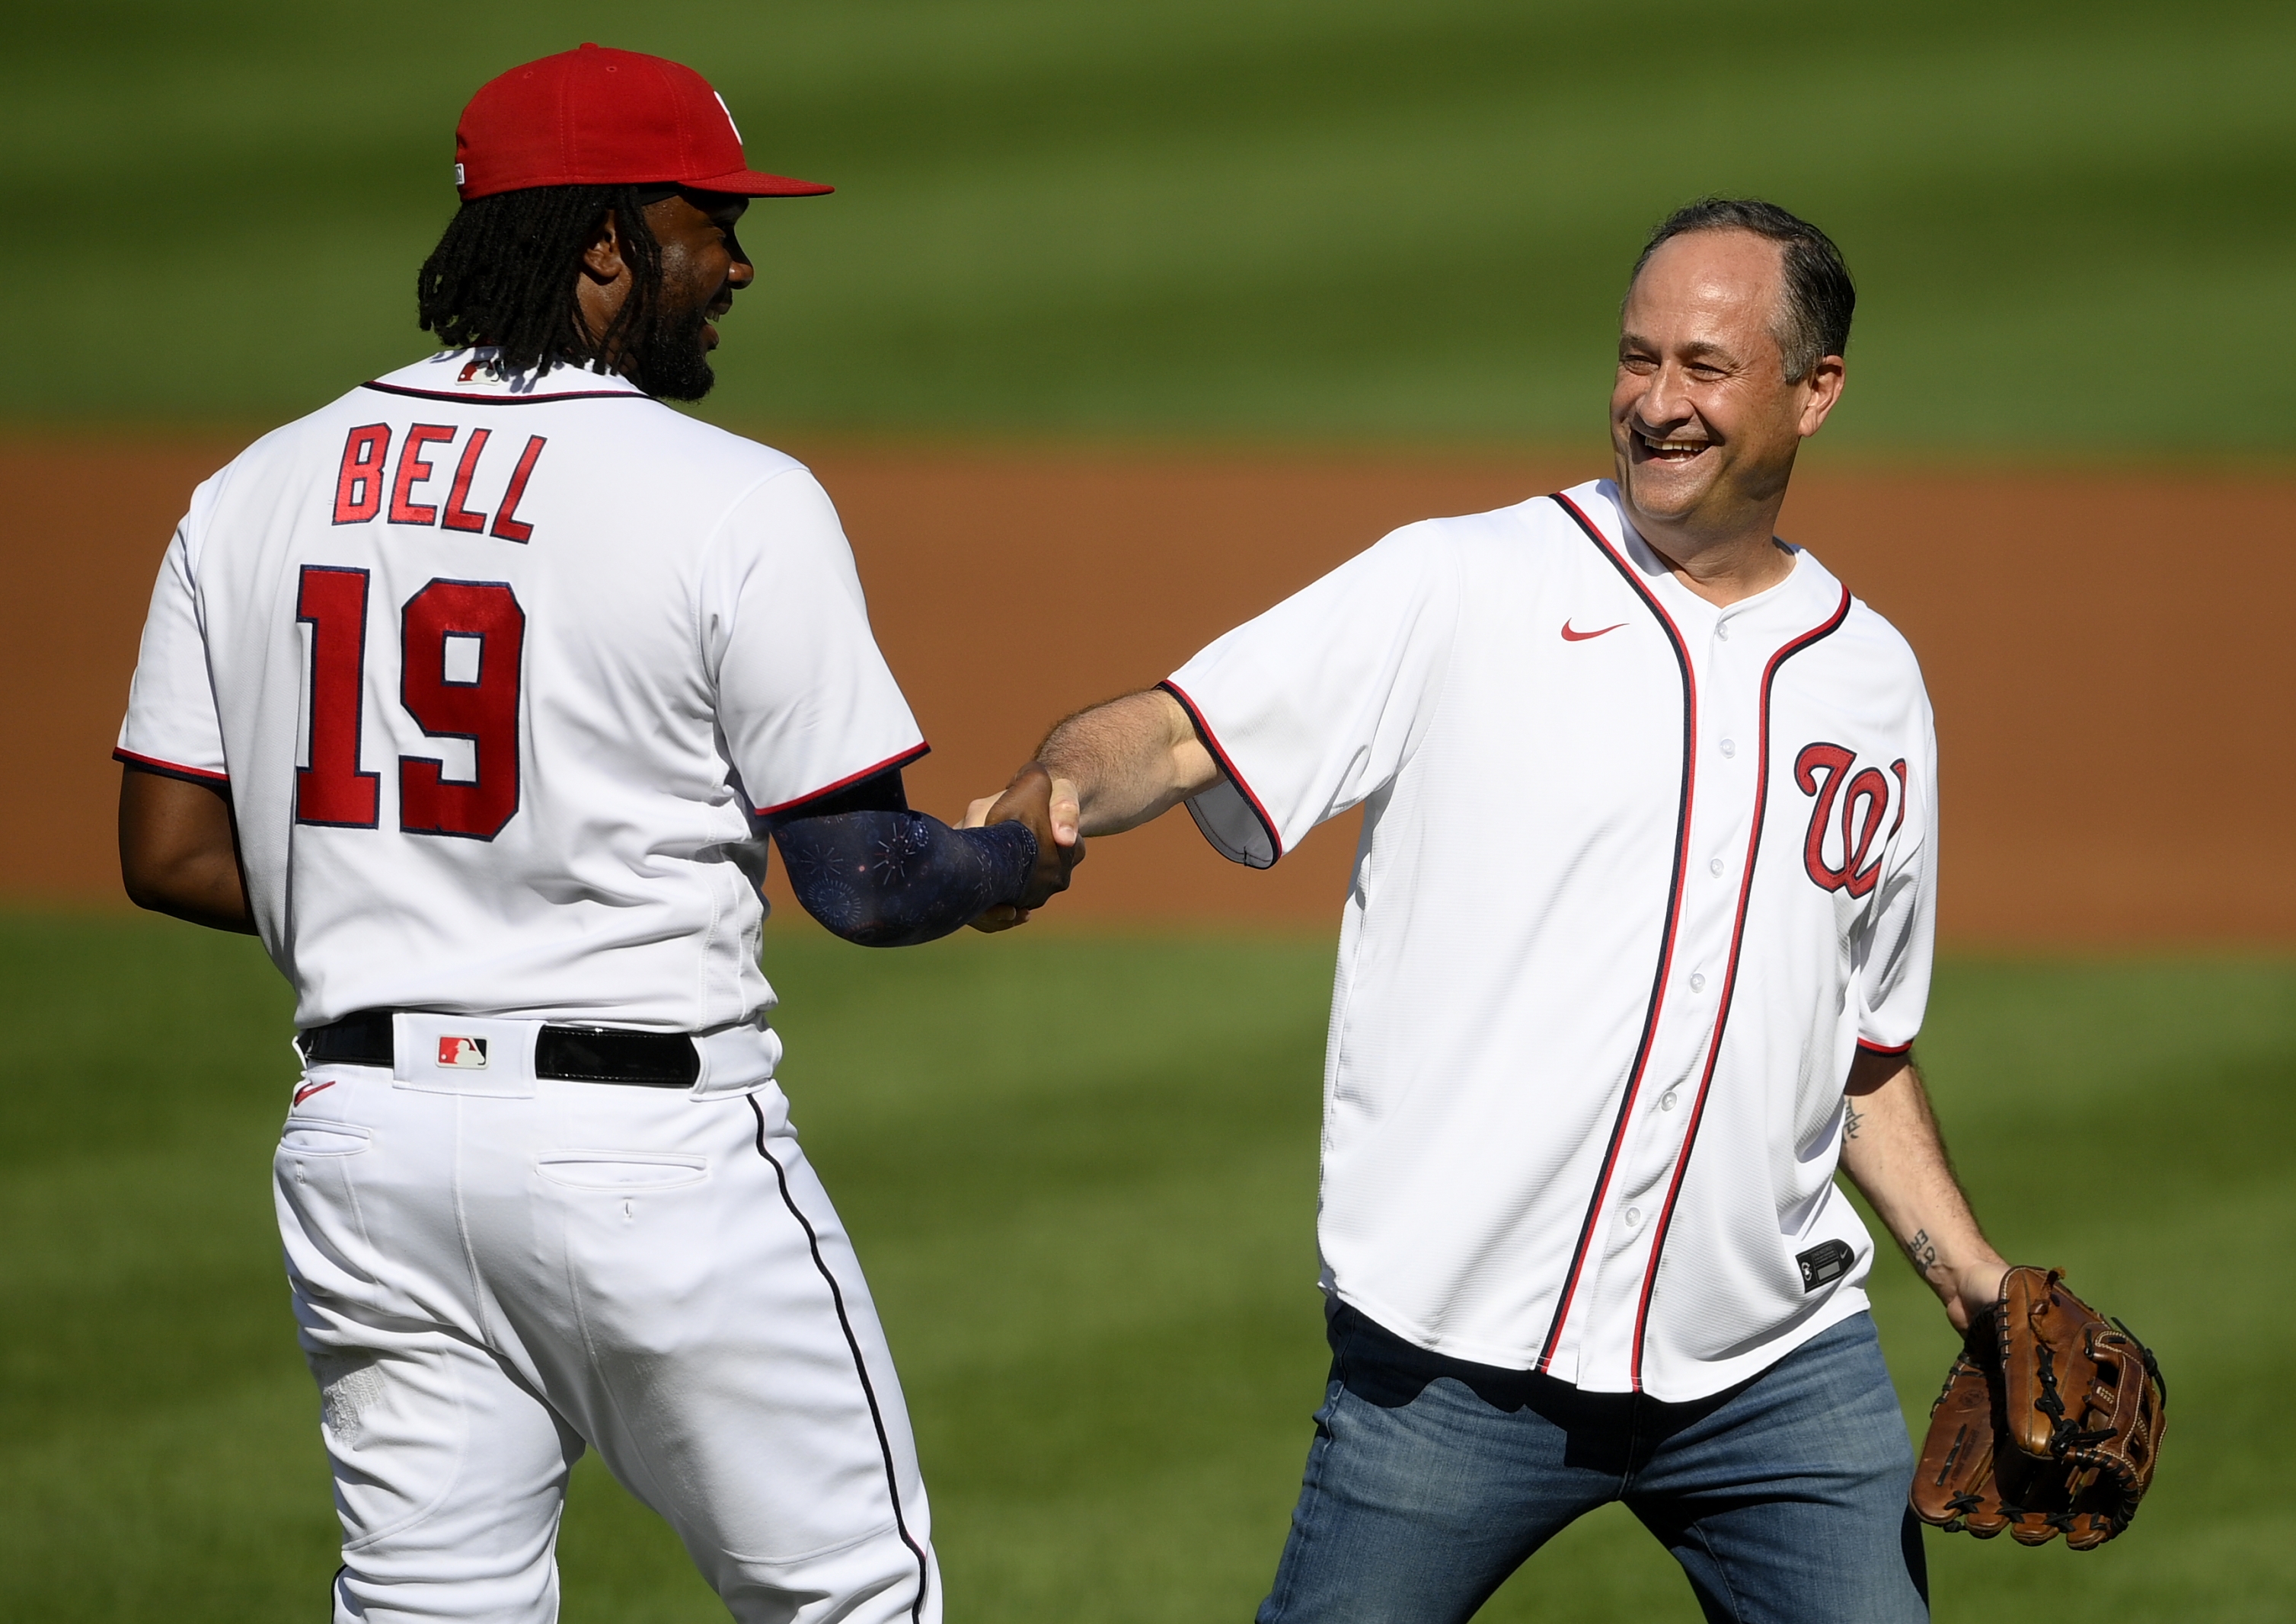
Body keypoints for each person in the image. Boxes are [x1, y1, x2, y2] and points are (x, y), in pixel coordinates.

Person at [113, 44, 1073, 1624]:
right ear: (607, 242)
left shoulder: (251, 490)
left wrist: (415, 896)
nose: (744, 260)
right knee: (852, 1596)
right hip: (649, 1161)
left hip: (368, 1152)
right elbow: (864, 877)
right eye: (715, 221)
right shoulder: (729, 497)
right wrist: (1010, 861)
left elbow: (166, 846)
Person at [967, 199, 2004, 1621]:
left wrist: (1971, 1276)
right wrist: (1053, 788)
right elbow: (1182, 730)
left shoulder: (1874, 685)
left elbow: (1857, 1046)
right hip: (1455, 1368)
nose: (1656, 404)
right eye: (1637, 359)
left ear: (1814, 390)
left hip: (1776, 1373)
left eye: (1705, 366)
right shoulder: (1467, 583)